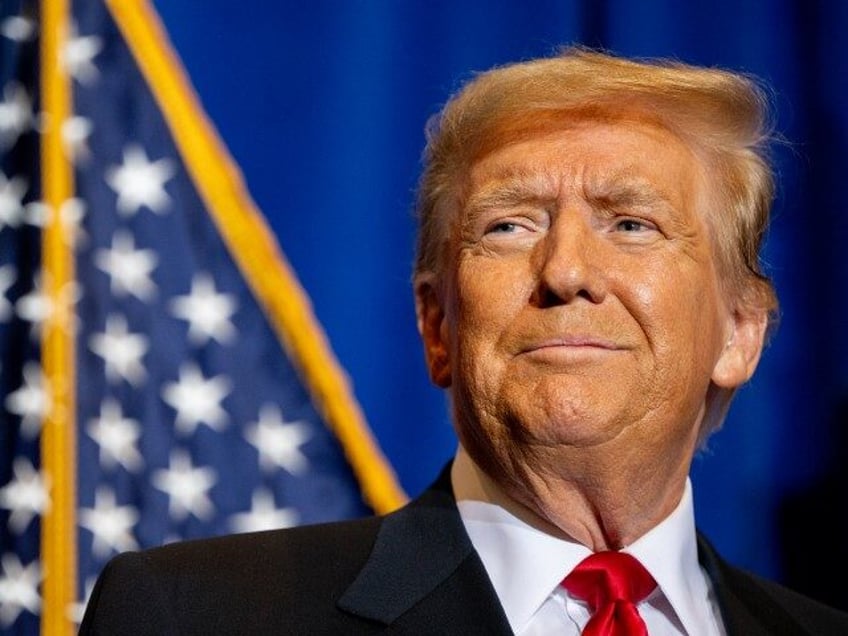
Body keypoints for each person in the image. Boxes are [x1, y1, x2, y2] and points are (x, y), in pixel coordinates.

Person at [79, 47, 848, 635]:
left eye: (632, 224)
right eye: (509, 226)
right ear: (437, 325)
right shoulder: (196, 616)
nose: (567, 270)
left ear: (740, 333)